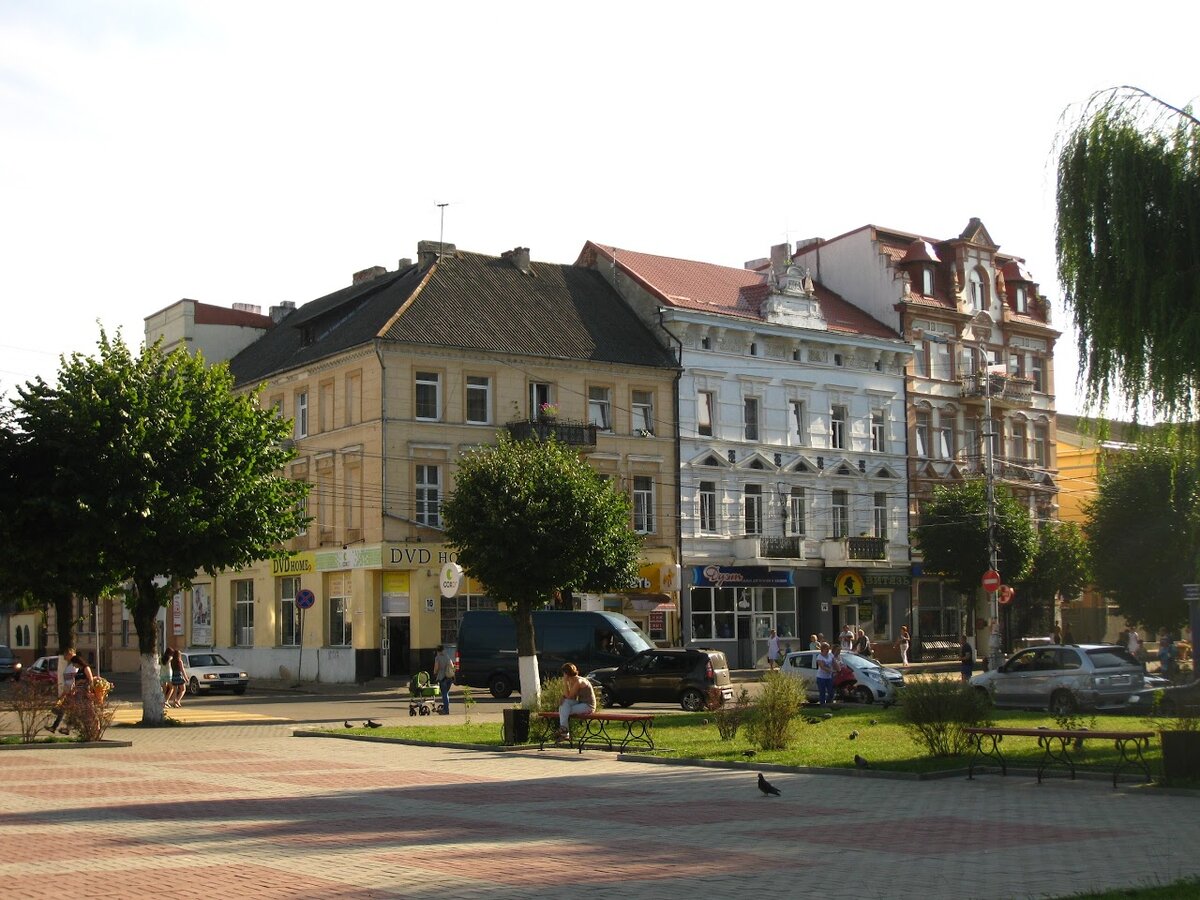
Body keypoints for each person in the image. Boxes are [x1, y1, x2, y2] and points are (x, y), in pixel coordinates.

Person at [557, 663, 596, 740]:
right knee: (564, 705)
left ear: (566, 674)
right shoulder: (572, 680)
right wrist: (563, 698)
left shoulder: (579, 681)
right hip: (581, 704)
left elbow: (570, 696)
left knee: (564, 709)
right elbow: (572, 698)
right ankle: (564, 731)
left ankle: (564, 731)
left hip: (588, 706)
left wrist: (565, 682)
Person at [432, 644, 456, 715]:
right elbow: (452, 666)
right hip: (450, 678)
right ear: (443, 650)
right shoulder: (447, 657)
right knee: (446, 694)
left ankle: (446, 710)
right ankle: (446, 708)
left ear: (437, 651)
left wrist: (435, 673)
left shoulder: (437, 658)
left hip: (442, 678)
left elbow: (436, 668)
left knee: (444, 694)